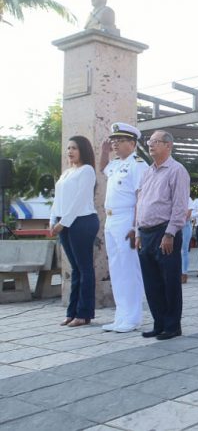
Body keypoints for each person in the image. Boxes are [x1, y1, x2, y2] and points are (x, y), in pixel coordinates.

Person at [135, 130, 190, 340]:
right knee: (152, 282)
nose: (150, 145)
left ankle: (172, 325)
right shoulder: (148, 172)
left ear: (168, 146)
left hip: (165, 231)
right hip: (146, 232)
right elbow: (141, 202)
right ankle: (159, 323)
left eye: (156, 142)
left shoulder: (177, 170)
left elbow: (179, 205)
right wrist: (138, 229)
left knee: (169, 281)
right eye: (149, 142)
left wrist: (170, 233)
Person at [98, 123, 148, 332]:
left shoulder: (138, 165)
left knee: (129, 270)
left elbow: (141, 197)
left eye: (119, 141)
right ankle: (121, 315)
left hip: (127, 219)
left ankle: (133, 318)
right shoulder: (117, 163)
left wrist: (135, 227)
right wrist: (103, 151)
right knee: (116, 270)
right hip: (111, 220)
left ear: (132, 143)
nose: (115, 145)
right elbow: (103, 169)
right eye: (114, 141)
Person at [49, 136, 99, 327]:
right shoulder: (67, 172)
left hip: (82, 222)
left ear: (83, 150)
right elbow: (58, 199)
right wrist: (52, 220)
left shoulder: (87, 171)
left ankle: (84, 314)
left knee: (85, 268)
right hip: (65, 222)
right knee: (76, 269)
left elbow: (79, 200)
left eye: (74, 148)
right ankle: (72, 312)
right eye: (68, 148)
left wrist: (63, 222)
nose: (70, 151)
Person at [181, 197, 195, 283]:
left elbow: (188, 213)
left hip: (184, 225)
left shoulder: (188, 198)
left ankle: (184, 273)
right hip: (172, 226)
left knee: (184, 251)